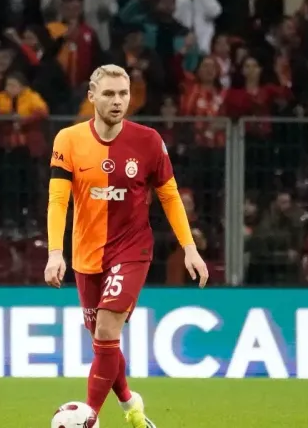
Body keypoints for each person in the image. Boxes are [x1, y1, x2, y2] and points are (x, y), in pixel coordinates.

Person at [45, 64, 209, 427]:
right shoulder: (68, 140)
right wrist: (55, 253)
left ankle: (88, 417)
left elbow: (169, 195)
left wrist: (189, 248)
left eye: (123, 94)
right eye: (108, 94)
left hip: (132, 249)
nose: (117, 101)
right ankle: (131, 406)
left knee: (107, 329)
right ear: (92, 97)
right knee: (103, 341)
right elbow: (58, 200)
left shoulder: (148, 141)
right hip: (86, 254)